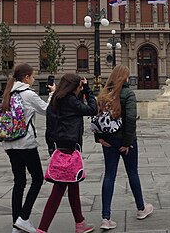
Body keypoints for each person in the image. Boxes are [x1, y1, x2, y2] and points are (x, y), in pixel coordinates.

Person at [95, 65, 153, 230]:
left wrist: (99, 138)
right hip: (125, 142)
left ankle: (106, 218)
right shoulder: (128, 94)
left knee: (109, 176)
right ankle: (141, 208)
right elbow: (130, 119)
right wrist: (127, 143)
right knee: (133, 173)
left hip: (108, 142)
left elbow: (96, 118)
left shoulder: (104, 94)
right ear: (125, 77)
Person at [37, 74, 97, 233]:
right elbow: (93, 109)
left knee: (73, 184)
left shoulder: (55, 100)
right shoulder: (70, 101)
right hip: (69, 149)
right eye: (79, 87)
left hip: (58, 147)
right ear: (73, 88)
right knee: (58, 191)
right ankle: (42, 230)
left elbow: (49, 125)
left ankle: (80, 223)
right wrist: (88, 90)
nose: (79, 90)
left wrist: (51, 147)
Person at [2, 63, 54, 233]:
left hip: (9, 143)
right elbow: (47, 110)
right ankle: (23, 218)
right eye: (32, 76)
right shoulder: (28, 94)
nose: (34, 79)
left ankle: (16, 223)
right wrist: (52, 93)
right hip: (26, 143)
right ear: (25, 78)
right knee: (38, 179)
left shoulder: (8, 93)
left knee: (19, 182)